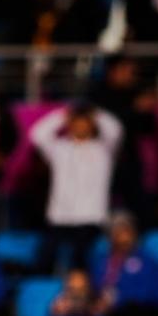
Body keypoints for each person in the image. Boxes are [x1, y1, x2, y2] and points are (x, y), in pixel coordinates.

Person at [30, 102, 123, 273]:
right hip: (59, 217)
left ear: (92, 125)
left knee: (80, 264)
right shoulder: (59, 148)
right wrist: (63, 115)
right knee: (43, 262)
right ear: (70, 125)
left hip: (91, 218)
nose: (80, 127)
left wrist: (95, 112)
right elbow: (38, 134)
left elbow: (115, 129)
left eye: (85, 123)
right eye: (76, 123)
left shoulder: (103, 149)